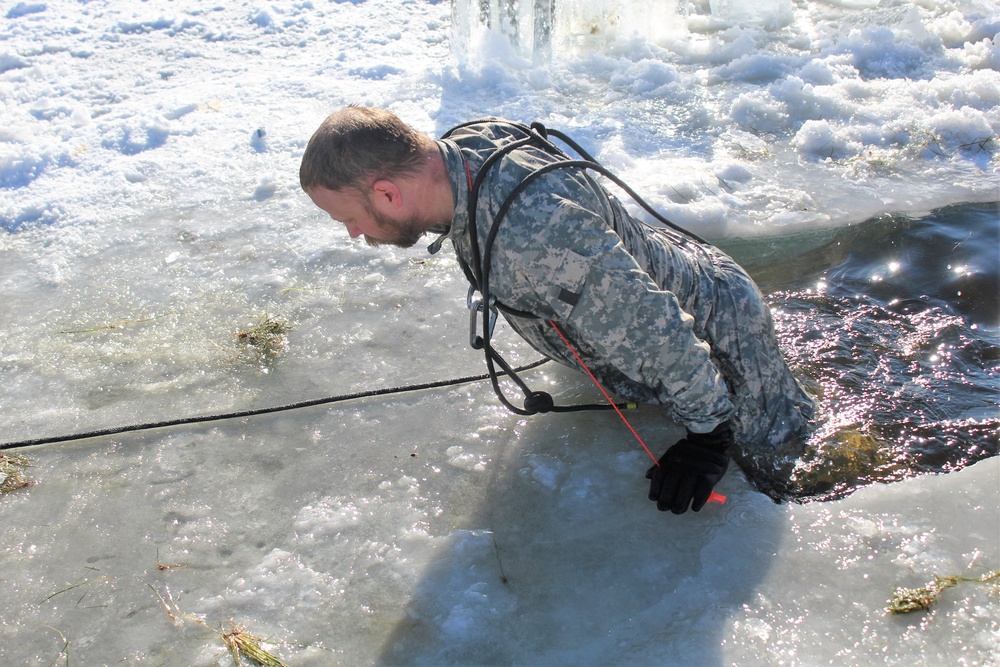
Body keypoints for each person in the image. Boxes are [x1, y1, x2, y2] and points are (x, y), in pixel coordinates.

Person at [299, 106, 815, 513]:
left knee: (788, 469)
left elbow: (655, 329)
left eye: (348, 218)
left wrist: (709, 434)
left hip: (719, 337)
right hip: (668, 281)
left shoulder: (536, 233)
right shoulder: (460, 152)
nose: (353, 234)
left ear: (388, 193)